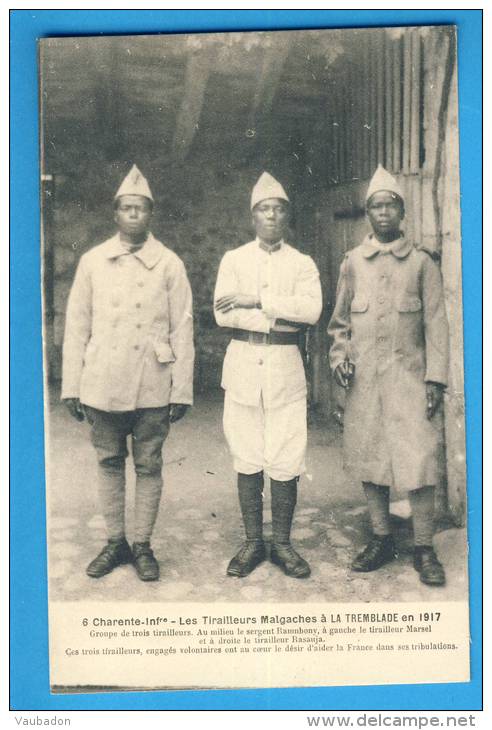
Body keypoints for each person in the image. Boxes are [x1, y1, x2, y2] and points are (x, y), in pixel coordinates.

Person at [62, 165, 194, 582]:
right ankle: (115, 541)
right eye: (127, 208)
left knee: (150, 465)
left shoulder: (169, 264)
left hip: (152, 382)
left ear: (150, 215)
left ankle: (142, 544)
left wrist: (182, 389)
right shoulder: (92, 262)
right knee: (108, 461)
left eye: (141, 209)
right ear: (116, 214)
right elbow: (76, 326)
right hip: (102, 382)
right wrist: (72, 383)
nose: (134, 215)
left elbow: (183, 327)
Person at [327, 165, 450, 587]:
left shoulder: (421, 264)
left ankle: (424, 547)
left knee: (418, 462)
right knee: (371, 458)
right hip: (365, 384)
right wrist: (339, 356)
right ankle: (380, 538)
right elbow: (339, 324)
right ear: (368, 214)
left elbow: (436, 325)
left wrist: (435, 380)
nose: (383, 213)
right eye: (376, 206)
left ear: (401, 213)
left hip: (410, 380)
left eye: (390, 205)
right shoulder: (352, 264)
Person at [214, 172, 322, 579]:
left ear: (287, 217)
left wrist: (257, 300)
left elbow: (310, 312)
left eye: (278, 209)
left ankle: (282, 544)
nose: (271, 215)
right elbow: (223, 314)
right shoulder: (234, 260)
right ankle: (252, 542)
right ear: (253, 216)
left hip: (284, 369)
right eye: (264, 209)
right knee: (247, 453)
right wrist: (280, 315)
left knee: (286, 455)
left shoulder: (302, 263)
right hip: (243, 366)